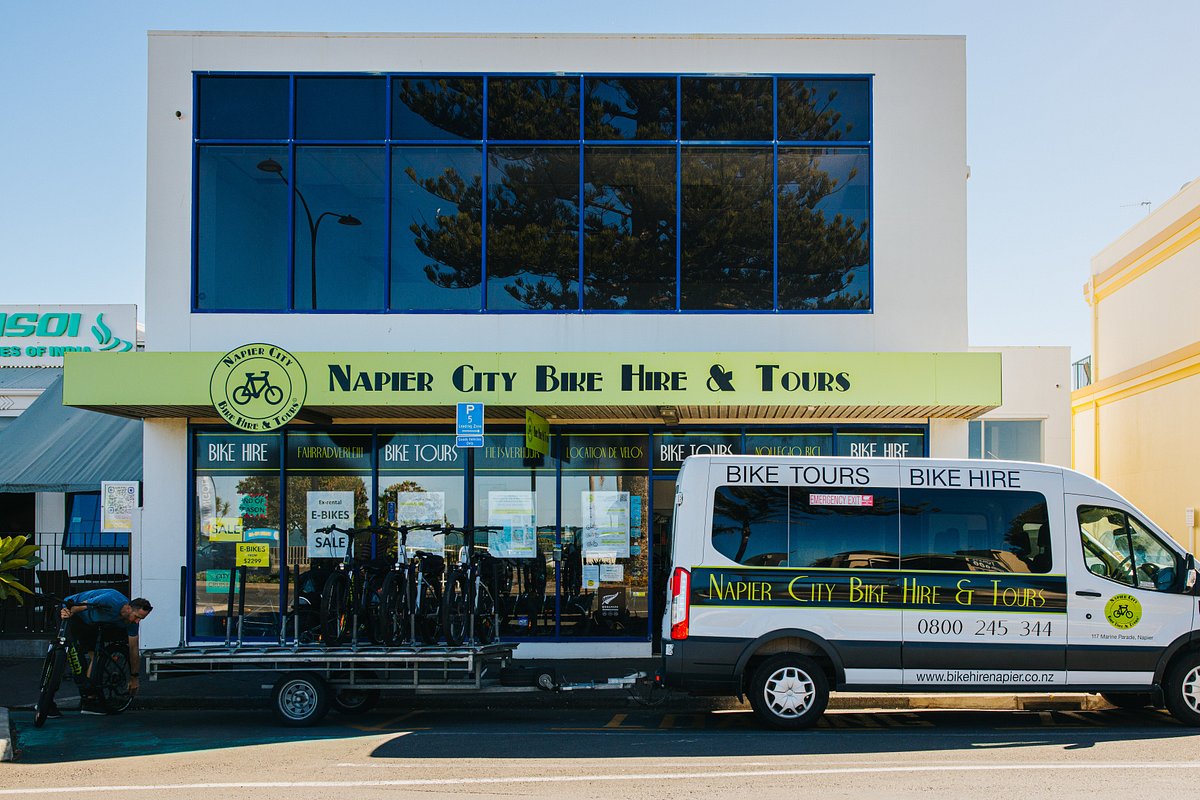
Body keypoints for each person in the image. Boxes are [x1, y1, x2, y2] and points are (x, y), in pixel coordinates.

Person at [39, 589, 152, 718]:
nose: (137, 622)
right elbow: (82, 605)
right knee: (71, 653)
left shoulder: (132, 623)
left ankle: (89, 700)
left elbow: (133, 648)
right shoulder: (111, 599)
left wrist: (134, 677)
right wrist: (69, 611)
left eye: (141, 619)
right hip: (74, 612)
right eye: (137, 617)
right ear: (127, 608)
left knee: (96, 656)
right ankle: (47, 701)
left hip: (92, 623)